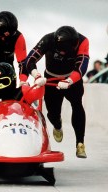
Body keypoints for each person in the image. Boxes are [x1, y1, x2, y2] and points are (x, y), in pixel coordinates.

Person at [25, 26, 89, 158]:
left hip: (72, 79)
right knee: (52, 113)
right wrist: (36, 76)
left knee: (77, 104)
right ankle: (57, 124)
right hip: (50, 79)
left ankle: (80, 143)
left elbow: (82, 66)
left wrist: (70, 81)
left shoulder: (83, 41)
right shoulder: (48, 39)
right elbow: (29, 60)